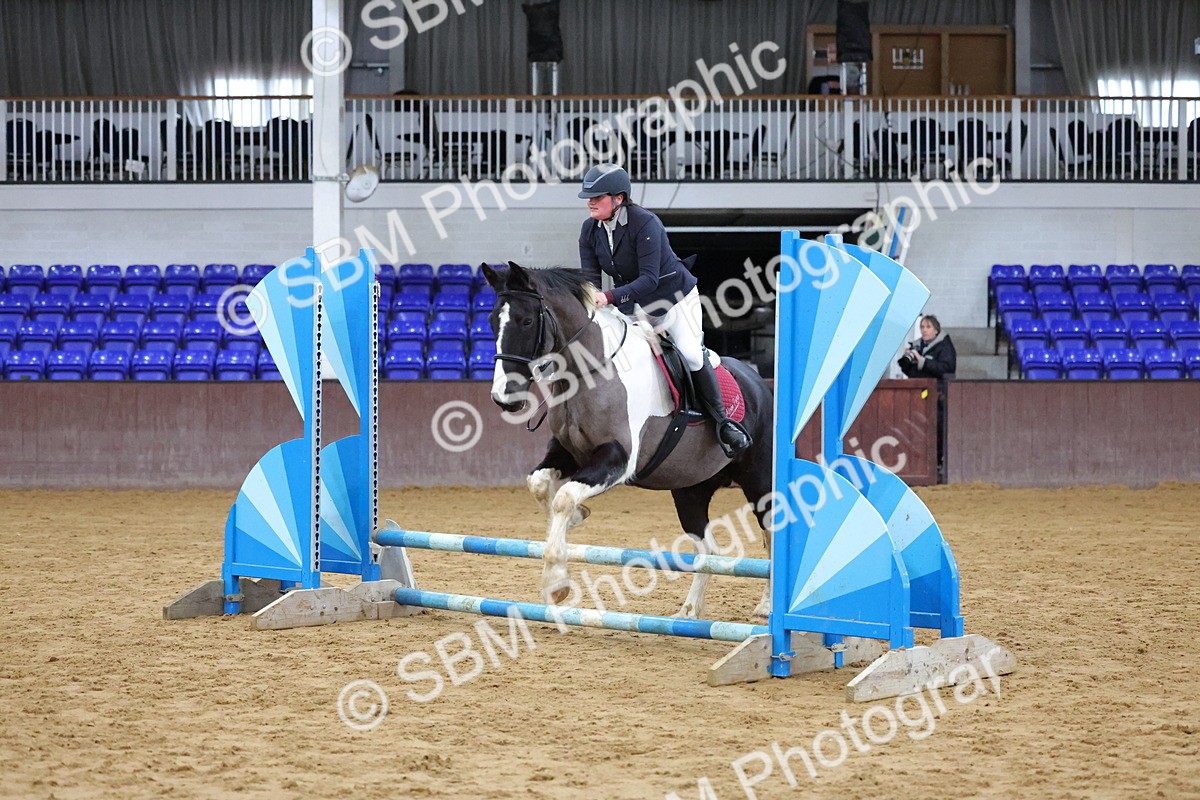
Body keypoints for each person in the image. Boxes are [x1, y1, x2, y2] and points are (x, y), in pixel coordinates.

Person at [576, 163, 751, 457]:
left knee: (691, 353)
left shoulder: (646, 224)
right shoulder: (589, 230)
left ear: (618, 199)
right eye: (588, 197)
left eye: (597, 196)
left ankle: (724, 423)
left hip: (674, 299)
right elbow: (590, 280)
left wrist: (607, 297)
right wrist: (591, 300)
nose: (590, 202)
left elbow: (649, 279)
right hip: (632, 305)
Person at [898, 315, 956, 381]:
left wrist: (922, 361)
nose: (924, 330)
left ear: (936, 331)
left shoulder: (944, 346)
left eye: (928, 327)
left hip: (937, 388)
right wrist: (906, 363)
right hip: (918, 387)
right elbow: (911, 373)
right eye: (922, 327)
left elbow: (947, 370)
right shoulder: (916, 346)